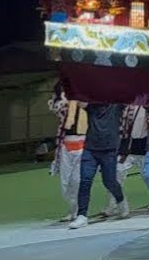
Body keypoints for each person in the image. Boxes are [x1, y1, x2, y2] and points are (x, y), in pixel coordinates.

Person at [69, 102, 129, 229]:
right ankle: (82, 215)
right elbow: (80, 101)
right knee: (85, 180)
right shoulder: (91, 105)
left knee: (109, 181)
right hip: (90, 148)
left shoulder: (116, 105)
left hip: (109, 149)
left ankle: (121, 200)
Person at [50, 83, 87, 221]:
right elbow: (56, 109)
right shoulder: (61, 100)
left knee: (77, 180)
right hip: (65, 142)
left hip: (82, 140)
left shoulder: (83, 97)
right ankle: (73, 209)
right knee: (65, 181)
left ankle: (79, 210)